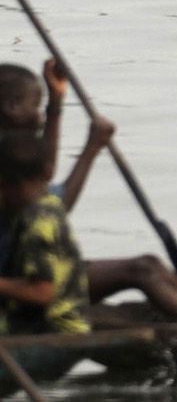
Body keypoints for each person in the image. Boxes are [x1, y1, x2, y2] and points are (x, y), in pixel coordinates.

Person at [0, 63, 177, 326]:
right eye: (37, 107)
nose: (39, 116)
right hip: (20, 281)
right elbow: (53, 204)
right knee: (143, 270)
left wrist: (56, 103)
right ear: (10, 108)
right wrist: (91, 149)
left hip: (37, 270)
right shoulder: (9, 171)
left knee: (149, 266)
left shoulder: (13, 155)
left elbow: (43, 174)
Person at [0, 131, 88, 335]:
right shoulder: (50, 203)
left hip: (54, 328)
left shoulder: (38, 224)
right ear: (47, 173)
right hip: (48, 318)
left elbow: (42, 293)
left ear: (2, 184)